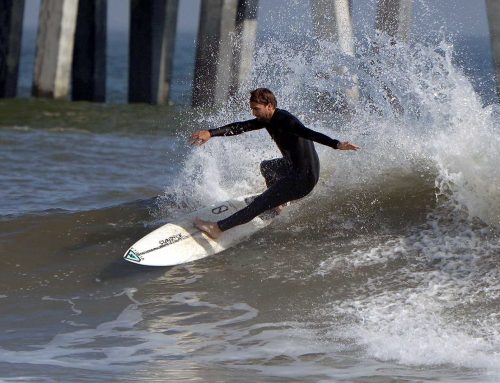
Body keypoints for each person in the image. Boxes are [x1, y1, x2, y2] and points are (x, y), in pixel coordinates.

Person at [190, 88, 359, 239]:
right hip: (293, 167)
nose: (254, 113)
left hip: (303, 178)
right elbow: (241, 126)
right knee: (267, 167)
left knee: (260, 204)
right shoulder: (268, 119)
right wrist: (211, 133)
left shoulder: (286, 121)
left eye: (256, 109)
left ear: (269, 106)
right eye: (252, 109)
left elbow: (310, 133)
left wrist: (336, 144)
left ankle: (217, 228)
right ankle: (277, 202)